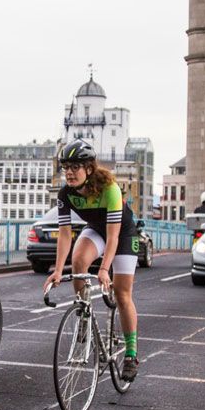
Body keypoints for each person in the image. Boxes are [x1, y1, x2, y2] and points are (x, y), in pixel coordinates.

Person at [46, 139, 142, 382]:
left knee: (122, 293)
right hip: (96, 229)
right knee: (78, 261)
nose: (69, 172)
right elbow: (65, 234)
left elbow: (113, 236)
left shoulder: (109, 189)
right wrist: (58, 270)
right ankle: (83, 316)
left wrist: (104, 269)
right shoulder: (65, 194)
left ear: (89, 169)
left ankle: (131, 354)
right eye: (65, 167)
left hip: (122, 234)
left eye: (75, 167)